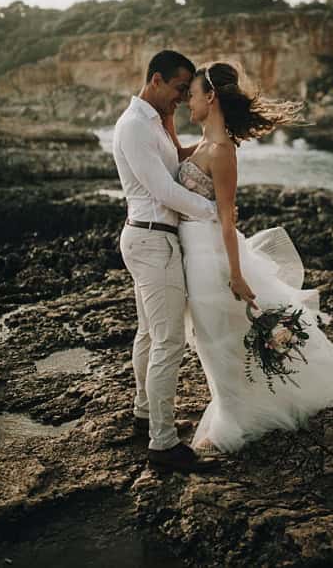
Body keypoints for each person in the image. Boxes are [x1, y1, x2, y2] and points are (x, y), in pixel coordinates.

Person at [177, 60, 333, 453]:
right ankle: (236, 409)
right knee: (211, 339)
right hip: (193, 254)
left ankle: (230, 424)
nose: (186, 102)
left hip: (212, 257)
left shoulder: (222, 152)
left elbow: (227, 221)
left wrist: (235, 274)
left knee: (218, 342)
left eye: (192, 95)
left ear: (211, 97)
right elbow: (166, 153)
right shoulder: (200, 144)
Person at [112, 50, 221, 473]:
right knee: (169, 342)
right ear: (156, 80)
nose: (180, 97)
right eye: (178, 89)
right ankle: (163, 443)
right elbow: (163, 190)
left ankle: (144, 412)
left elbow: (174, 166)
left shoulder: (153, 122)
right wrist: (215, 213)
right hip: (153, 240)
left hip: (151, 238)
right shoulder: (135, 126)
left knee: (147, 334)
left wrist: (214, 142)